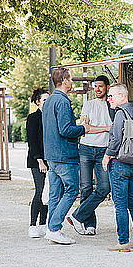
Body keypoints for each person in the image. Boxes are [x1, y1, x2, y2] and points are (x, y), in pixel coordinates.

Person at [41, 68, 92, 245]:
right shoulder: (62, 102)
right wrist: (83, 128)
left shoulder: (48, 101)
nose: (72, 82)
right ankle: (55, 228)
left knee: (55, 194)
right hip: (65, 155)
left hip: (52, 154)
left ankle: (51, 229)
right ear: (64, 80)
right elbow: (65, 130)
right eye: (70, 79)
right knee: (71, 191)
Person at [102, 83, 133, 252]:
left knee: (120, 205)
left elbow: (115, 139)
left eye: (112, 96)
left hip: (120, 163)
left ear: (122, 96)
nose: (109, 99)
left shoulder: (121, 113)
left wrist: (107, 156)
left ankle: (123, 242)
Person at [67, 75, 113, 236]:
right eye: (95, 86)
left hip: (104, 150)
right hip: (86, 149)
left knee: (104, 188)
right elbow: (84, 127)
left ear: (107, 87)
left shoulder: (112, 106)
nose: (97, 89)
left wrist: (96, 128)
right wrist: (107, 128)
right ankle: (89, 224)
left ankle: (77, 216)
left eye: (100, 86)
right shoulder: (88, 104)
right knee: (85, 188)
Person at [26, 87, 49, 238]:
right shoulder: (33, 118)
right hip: (37, 161)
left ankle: (43, 224)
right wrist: (40, 161)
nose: (48, 103)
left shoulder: (51, 117)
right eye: (45, 100)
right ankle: (33, 225)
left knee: (48, 193)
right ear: (37, 102)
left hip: (51, 159)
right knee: (39, 191)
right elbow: (32, 142)